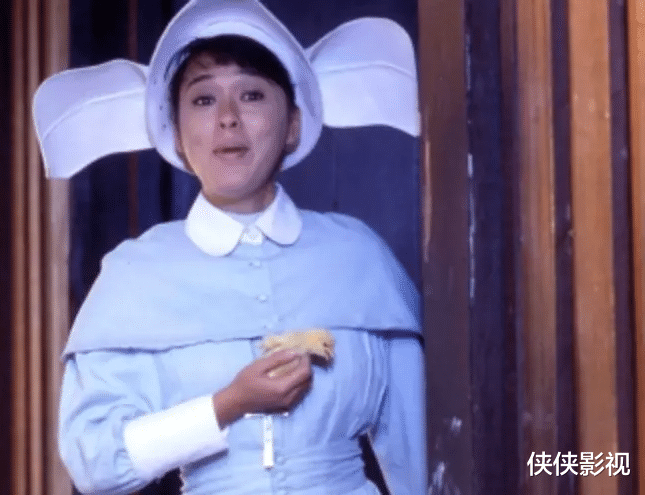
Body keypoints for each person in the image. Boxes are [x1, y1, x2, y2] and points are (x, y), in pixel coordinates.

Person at [33, 1, 425, 494]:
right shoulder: (134, 274)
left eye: (252, 94)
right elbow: (96, 465)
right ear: (177, 135)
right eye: (203, 100)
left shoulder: (359, 257)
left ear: (293, 124)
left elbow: (425, 457)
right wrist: (226, 405)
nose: (227, 118)